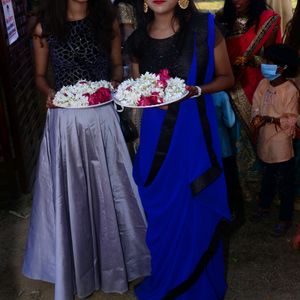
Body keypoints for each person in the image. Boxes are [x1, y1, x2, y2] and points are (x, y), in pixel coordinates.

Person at [22, 0, 151, 299]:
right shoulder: (45, 26)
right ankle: (75, 265)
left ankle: (116, 262)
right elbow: (40, 77)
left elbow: (117, 64)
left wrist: (115, 81)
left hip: (102, 116)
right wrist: (50, 93)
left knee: (112, 189)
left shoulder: (107, 21)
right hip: (65, 120)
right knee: (72, 192)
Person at [127, 0, 234, 298]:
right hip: (154, 139)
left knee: (195, 207)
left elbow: (227, 78)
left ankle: (200, 288)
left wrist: (196, 90)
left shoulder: (205, 29)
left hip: (193, 136)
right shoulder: (136, 40)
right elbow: (139, 90)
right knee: (162, 211)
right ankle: (166, 279)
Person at [217, 0, 282, 202]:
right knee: (231, 141)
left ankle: (264, 190)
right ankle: (240, 190)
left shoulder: (266, 20)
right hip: (226, 89)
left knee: (260, 137)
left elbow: (276, 62)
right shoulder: (220, 19)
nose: (237, 1)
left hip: (255, 86)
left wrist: (251, 61)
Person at [251, 44, 299, 237]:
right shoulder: (263, 85)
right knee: (267, 178)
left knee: (285, 182)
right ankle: (264, 206)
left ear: (282, 67)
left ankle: (285, 218)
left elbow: (292, 119)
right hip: (265, 141)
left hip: (281, 144)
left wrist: (269, 119)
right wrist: (256, 117)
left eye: (270, 62)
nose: (265, 65)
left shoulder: (290, 90)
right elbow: (256, 105)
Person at [212, 91, 244, 225]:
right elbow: (230, 121)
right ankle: (234, 212)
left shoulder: (191, 93)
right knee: (230, 181)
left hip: (203, 148)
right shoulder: (220, 95)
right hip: (223, 146)